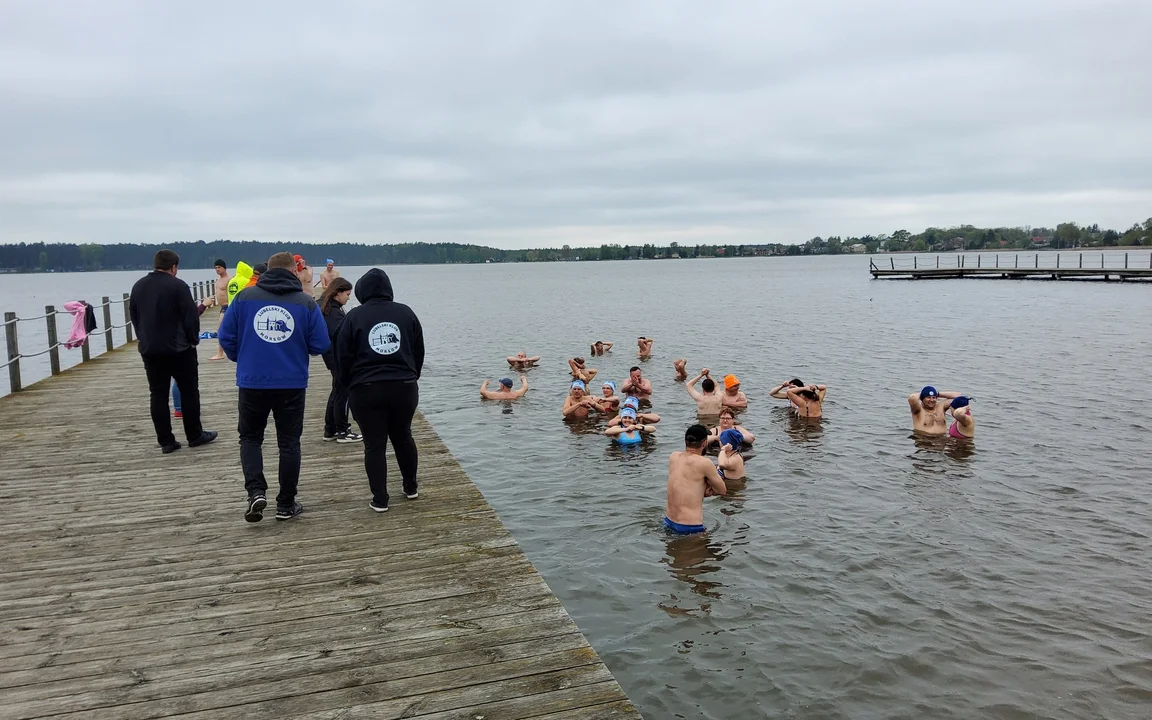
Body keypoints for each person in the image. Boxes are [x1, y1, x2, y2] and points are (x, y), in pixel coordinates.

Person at [219, 252, 330, 523]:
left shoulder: (244, 298)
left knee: (250, 438)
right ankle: (286, 504)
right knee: (289, 443)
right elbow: (321, 344)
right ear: (295, 272)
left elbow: (225, 336)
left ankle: (255, 491)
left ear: (267, 271)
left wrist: (243, 358)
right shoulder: (305, 303)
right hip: (291, 383)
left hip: (252, 381)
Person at [335, 268, 425, 513]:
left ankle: (380, 498)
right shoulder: (406, 313)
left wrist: (348, 382)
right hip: (404, 387)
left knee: (374, 445)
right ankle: (410, 486)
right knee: (403, 436)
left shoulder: (353, 317)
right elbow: (418, 351)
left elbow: (342, 356)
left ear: (362, 291)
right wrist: (411, 376)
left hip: (366, 389)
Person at [129, 249, 218, 454]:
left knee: (157, 394)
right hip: (179, 349)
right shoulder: (178, 286)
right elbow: (190, 317)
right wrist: (193, 340)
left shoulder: (138, 286)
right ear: (174, 267)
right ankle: (194, 435)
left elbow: (134, 315)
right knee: (189, 391)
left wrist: (143, 338)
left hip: (150, 349)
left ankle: (166, 441)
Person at [319, 278, 360, 443]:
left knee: (336, 391)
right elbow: (341, 335)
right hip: (338, 358)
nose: (348, 298)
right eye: (347, 294)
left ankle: (330, 429)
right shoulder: (333, 313)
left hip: (331, 356)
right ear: (338, 293)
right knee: (343, 393)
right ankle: (343, 430)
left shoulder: (327, 308)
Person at [665, 424, 726, 535]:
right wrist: (706, 490)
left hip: (668, 521)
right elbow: (722, 490)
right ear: (704, 444)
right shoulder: (704, 462)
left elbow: (685, 484)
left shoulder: (673, 457)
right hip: (689, 526)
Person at [173, 293, 217, 418]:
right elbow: (190, 318)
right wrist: (203, 305)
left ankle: (178, 409)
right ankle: (182, 409)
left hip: (157, 344)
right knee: (181, 379)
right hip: (179, 344)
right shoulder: (175, 299)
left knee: (159, 389)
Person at [209, 259, 231, 360]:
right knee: (222, 330)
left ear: (224, 268)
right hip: (221, 307)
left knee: (220, 329)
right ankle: (221, 352)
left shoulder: (229, 279)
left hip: (228, 306)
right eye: (216, 268)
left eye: (219, 267)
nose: (217, 269)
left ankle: (220, 353)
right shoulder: (218, 280)